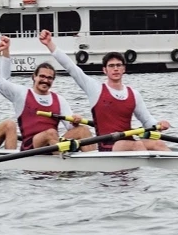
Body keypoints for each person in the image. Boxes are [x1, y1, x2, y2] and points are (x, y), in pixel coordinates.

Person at [40, 30, 170, 151]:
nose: (115, 69)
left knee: (158, 144)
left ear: (124, 69)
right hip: (108, 145)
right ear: (104, 70)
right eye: (111, 66)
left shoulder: (134, 94)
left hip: (129, 143)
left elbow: (147, 121)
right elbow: (71, 68)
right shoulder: (95, 89)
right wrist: (50, 44)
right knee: (138, 144)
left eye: (118, 65)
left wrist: (158, 124)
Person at [0, 35, 93, 151]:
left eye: (49, 78)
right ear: (34, 76)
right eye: (42, 76)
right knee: (51, 133)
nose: (45, 80)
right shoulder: (21, 94)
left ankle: (93, 159)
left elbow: (70, 126)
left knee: (83, 130)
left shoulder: (59, 99)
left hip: (52, 143)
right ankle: (61, 160)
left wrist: (75, 121)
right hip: (30, 146)